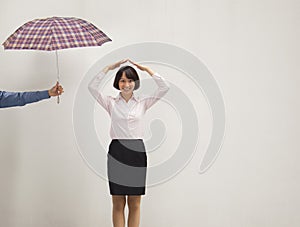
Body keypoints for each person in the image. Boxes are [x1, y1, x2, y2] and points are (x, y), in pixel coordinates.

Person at [88, 59, 170, 227]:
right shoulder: (110, 102)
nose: (127, 84)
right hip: (117, 152)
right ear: (118, 83)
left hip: (136, 153)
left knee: (135, 203)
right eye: (123, 80)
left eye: (130, 80)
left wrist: (147, 70)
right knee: (118, 203)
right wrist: (108, 67)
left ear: (135, 83)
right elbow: (92, 87)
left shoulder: (143, 102)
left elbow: (165, 87)